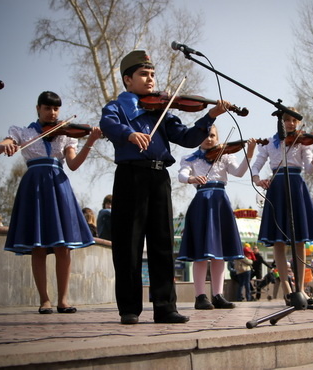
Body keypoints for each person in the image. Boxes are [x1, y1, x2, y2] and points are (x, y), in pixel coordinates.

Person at [99, 50, 231, 325]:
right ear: (128, 79)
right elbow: (107, 124)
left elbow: (186, 137)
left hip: (160, 178)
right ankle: (129, 308)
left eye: (152, 74)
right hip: (130, 176)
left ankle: (164, 307)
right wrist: (129, 133)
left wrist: (210, 117)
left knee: (162, 243)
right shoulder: (118, 107)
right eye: (144, 75)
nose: (150, 80)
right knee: (128, 245)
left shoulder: (161, 108)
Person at [0, 91, 101, 314]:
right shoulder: (23, 132)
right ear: (38, 109)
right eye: (48, 108)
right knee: (38, 246)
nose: (52, 113)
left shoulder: (65, 134)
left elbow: (73, 165)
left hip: (59, 186)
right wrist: (6, 146)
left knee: (63, 247)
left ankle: (63, 299)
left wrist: (89, 141)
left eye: (56, 109)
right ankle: (44, 300)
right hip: (34, 186)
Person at [251, 108, 313, 305]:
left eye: (294, 120)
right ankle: (286, 288)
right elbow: (257, 165)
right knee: (278, 240)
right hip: (276, 187)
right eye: (287, 120)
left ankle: (301, 289)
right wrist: (258, 179)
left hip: (295, 186)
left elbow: (309, 169)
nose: (291, 124)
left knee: (299, 240)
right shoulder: (270, 142)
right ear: (280, 121)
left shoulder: (302, 142)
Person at [177, 125, 256, 309]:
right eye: (205, 135)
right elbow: (182, 175)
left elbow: (239, 172)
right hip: (202, 202)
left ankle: (218, 295)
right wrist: (191, 179)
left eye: (212, 135)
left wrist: (249, 153)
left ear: (218, 138)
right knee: (201, 253)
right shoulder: (190, 158)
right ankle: (200, 296)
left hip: (221, 202)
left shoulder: (225, 156)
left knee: (219, 253)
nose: (209, 138)